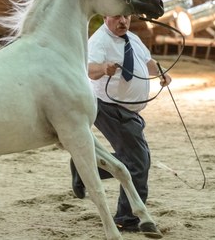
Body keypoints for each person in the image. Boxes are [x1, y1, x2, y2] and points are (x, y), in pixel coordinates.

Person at [70, 14, 172, 234]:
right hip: (108, 107)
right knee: (138, 162)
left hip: (130, 112)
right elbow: (88, 69)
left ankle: (85, 166)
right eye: (117, 17)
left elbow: (147, 62)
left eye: (126, 16)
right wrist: (103, 68)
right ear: (106, 17)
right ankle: (127, 218)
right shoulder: (99, 40)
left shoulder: (132, 38)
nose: (122, 21)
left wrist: (161, 72)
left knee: (135, 161)